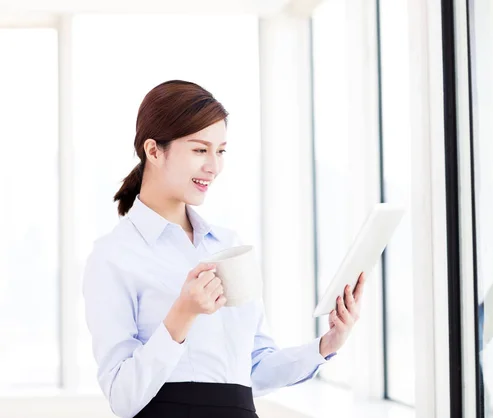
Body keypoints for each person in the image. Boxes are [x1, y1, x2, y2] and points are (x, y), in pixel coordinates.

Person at [82, 80, 365, 418]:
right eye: (200, 150)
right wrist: (182, 314)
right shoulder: (114, 255)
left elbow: (253, 370)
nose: (214, 167)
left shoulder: (229, 246)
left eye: (221, 151)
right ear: (154, 150)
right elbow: (123, 397)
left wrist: (326, 345)